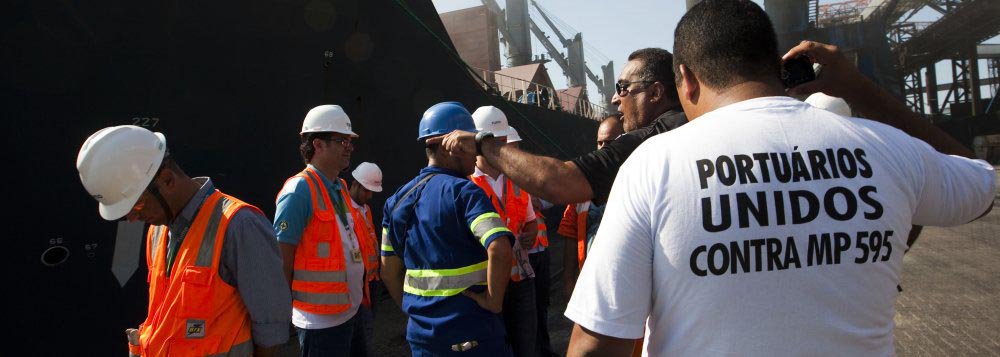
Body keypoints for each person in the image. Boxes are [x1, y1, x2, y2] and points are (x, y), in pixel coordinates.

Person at [565, 1, 996, 356]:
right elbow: (980, 185)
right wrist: (859, 88)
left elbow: (596, 346)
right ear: (776, 66)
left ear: (687, 81)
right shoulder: (887, 149)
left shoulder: (653, 164)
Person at [76, 125, 291, 356]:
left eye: (137, 205)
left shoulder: (239, 225)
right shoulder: (157, 233)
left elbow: (272, 331)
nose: (132, 218)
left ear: (167, 180)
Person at [430, 49, 687, 206]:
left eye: (623, 88)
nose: (614, 98)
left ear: (655, 92)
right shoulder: (690, 126)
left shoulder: (650, 142)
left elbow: (557, 183)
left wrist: (481, 143)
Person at [380, 102, 515, 356]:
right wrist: (493, 301)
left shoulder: (395, 201)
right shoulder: (466, 193)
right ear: (451, 145)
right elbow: (499, 247)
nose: (476, 155)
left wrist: (417, 310)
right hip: (471, 331)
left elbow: (388, 271)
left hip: (422, 337)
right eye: (469, 145)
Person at [274, 105, 374, 357]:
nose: (349, 147)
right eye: (342, 140)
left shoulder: (338, 186)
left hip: (350, 310)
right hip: (320, 322)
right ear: (317, 145)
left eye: (350, 141)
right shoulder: (299, 191)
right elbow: (282, 257)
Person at [469, 107, 538, 357]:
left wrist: (530, 232)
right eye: (493, 143)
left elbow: (530, 220)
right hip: (485, 282)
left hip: (519, 280)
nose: (499, 148)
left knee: (525, 345)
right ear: (477, 143)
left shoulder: (516, 179)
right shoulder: (465, 183)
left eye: (501, 142)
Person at [557, 116, 623, 297]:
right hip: (592, 289)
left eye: (609, 143)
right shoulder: (580, 194)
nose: (603, 149)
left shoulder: (640, 185)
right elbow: (570, 237)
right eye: (599, 143)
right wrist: (570, 286)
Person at [347, 162, 385, 356]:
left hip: (371, 282)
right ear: (355, 184)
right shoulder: (344, 209)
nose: (369, 196)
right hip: (357, 285)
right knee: (360, 338)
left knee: (366, 332)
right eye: (367, 191)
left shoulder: (365, 209)